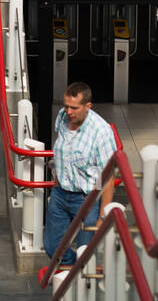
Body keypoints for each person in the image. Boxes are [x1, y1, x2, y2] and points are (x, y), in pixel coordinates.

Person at [44, 82, 117, 270]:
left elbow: (108, 177)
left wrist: (102, 216)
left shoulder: (101, 132)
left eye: (74, 108)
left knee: (86, 250)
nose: (68, 111)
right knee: (53, 247)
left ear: (88, 106)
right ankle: (75, 270)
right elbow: (62, 149)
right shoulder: (62, 117)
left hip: (87, 199)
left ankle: (78, 278)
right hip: (60, 193)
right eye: (66, 106)